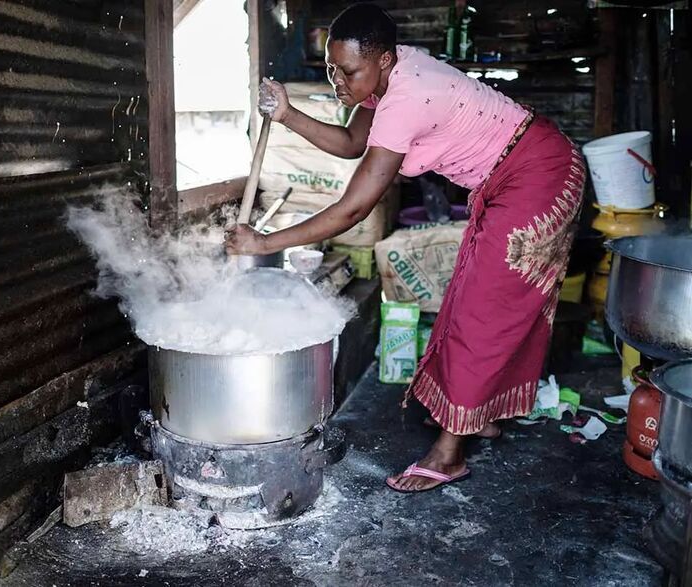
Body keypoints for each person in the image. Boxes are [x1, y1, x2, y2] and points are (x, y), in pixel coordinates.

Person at [225, 2, 585, 493]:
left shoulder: (406, 98)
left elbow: (353, 209)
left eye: (347, 71)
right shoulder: (387, 76)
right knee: (468, 299)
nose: (338, 83)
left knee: (485, 309)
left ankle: (449, 453)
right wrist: (288, 114)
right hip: (509, 177)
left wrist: (264, 241)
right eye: (332, 69)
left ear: (384, 61)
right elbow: (354, 142)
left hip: (539, 174)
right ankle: (476, 414)